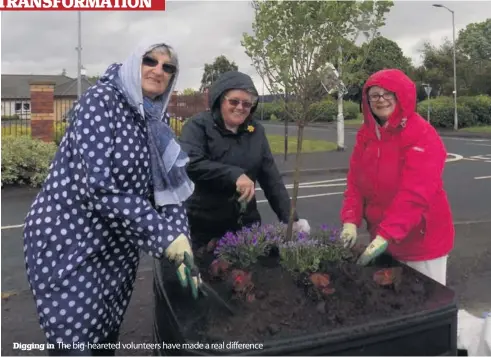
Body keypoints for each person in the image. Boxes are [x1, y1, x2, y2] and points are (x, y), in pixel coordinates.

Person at [22, 39, 200, 355]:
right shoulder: (100, 102)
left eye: (168, 67)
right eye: (151, 61)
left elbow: (169, 193)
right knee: (75, 344)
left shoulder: (156, 124)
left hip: (117, 249)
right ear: (135, 63)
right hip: (70, 242)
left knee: (104, 339)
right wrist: (165, 238)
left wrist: (182, 246)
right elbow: (98, 188)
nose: (159, 70)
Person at [339, 68, 454, 286]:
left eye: (388, 93)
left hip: (421, 244)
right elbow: (355, 183)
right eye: (374, 95)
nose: (381, 100)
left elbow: (415, 193)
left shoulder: (422, 134)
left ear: (401, 95)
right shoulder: (366, 136)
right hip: (383, 240)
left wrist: (386, 235)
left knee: (426, 307)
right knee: (393, 303)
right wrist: (350, 220)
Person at [179, 70, 310, 247]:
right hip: (203, 226)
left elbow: (271, 178)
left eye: (247, 104)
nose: (240, 108)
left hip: (245, 225)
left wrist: (290, 219)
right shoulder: (198, 125)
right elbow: (191, 163)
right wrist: (235, 175)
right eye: (234, 101)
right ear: (220, 100)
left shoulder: (256, 131)